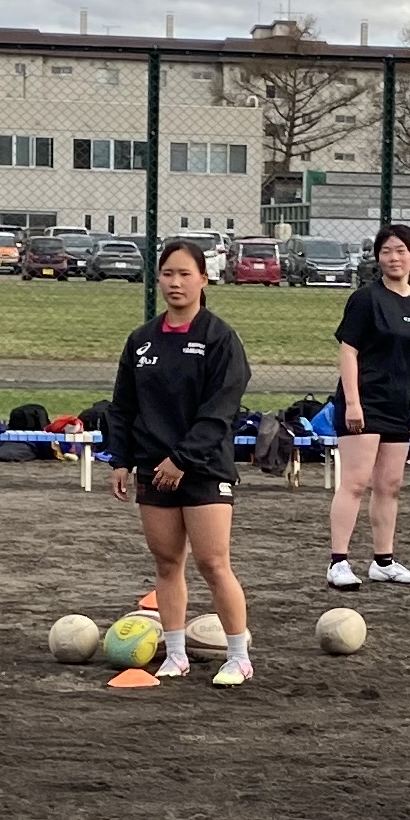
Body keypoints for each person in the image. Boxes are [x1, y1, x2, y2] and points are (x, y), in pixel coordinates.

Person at [108, 241, 256, 692]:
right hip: (155, 470)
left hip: (204, 468)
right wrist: (121, 460)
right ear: (158, 279)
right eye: (168, 273)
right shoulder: (141, 340)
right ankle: (175, 654)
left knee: (213, 563)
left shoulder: (220, 338)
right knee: (168, 562)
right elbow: (123, 407)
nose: (175, 282)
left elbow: (220, 411)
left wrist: (182, 460)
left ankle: (239, 658)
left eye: (185, 274)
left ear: (203, 279)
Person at [327, 223, 410, 588]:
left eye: (401, 250)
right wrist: (353, 403)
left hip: (397, 406)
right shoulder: (365, 299)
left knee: (389, 485)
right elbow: (348, 351)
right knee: (355, 482)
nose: (393, 257)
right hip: (365, 402)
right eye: (386, 251)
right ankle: (338, 562)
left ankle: (383, 562)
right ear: (377, 257)